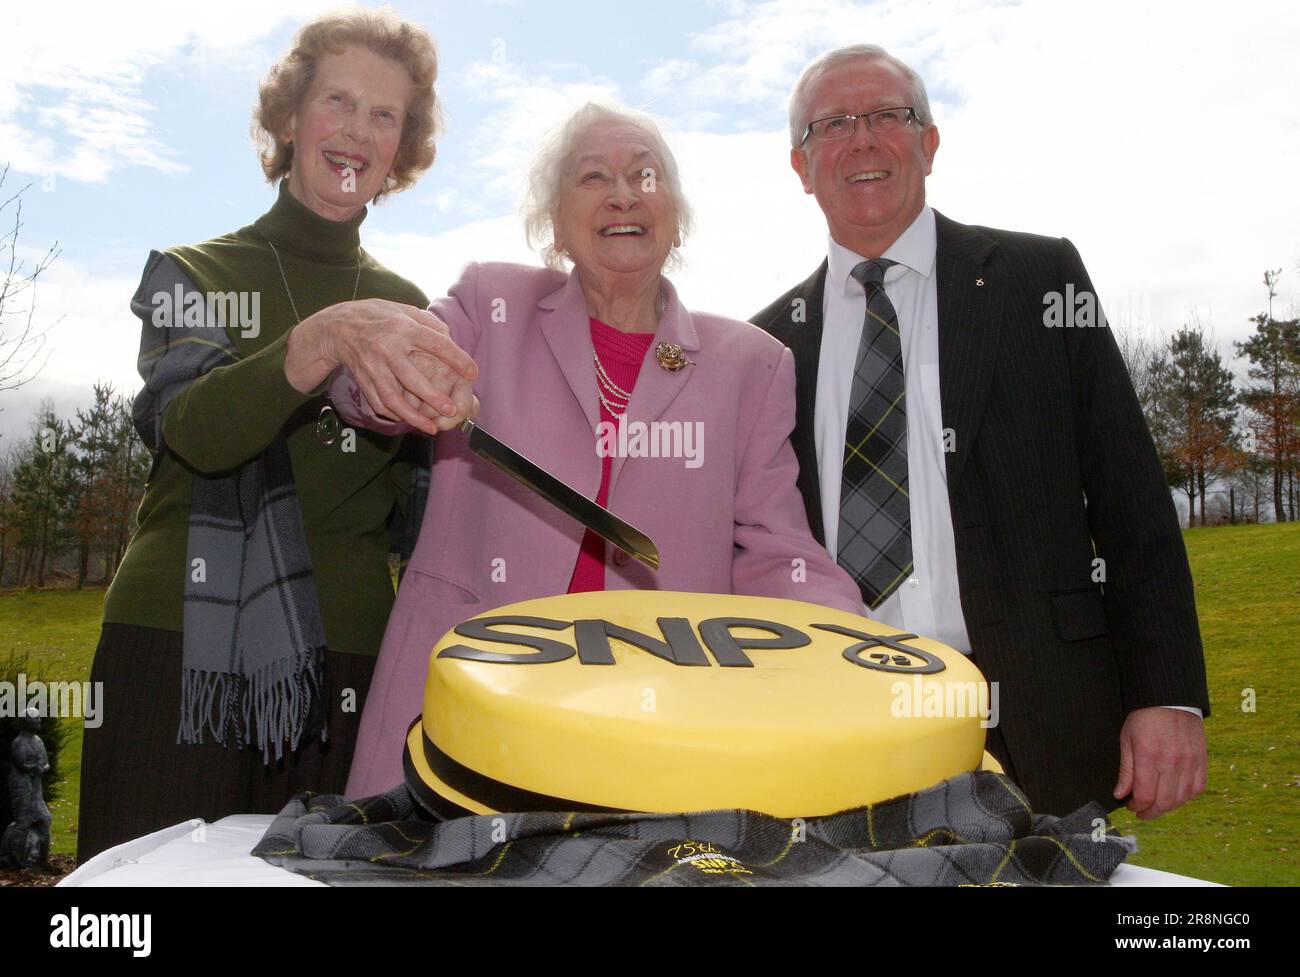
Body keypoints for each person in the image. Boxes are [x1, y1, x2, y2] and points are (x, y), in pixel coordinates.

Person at [336, 103, 865, 796]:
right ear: (555, 223)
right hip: (468, 706)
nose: (623, 193)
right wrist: (388, 367)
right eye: (593, 177)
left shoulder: (751, 364)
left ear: (675, 216)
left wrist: (867, 648)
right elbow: (363, 393)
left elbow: (777, 549)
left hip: (651, 722)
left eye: (644, 175)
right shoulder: (490, 304)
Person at [751, 45, 1210, 818]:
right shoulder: (765, 347)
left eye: (888, 116)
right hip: (845, 721)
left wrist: (1167, 693)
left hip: (1045, 716)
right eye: (833, 124)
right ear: (800, 165)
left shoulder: (1042, 279)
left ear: (928, 143)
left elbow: (1133, 496)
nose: (862, 139)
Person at [77, 9, 477, 862]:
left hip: (351, 661)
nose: (357, 131)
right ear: (291, 118)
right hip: (180, 649)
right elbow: (199, 430)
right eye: (338, 100)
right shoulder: (195, 273)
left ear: (402, 148)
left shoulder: (415, 309)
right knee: (142, 901)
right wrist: (322, 338)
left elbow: (433, 500)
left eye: (385, 115)